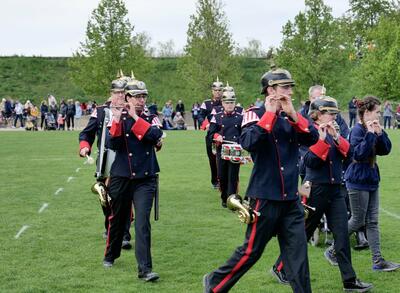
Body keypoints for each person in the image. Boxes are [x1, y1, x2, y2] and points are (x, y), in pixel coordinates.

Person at [203, 68, 319, 293]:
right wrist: (270, 114)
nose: (290, 91)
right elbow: (248, 141)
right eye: (285, 87)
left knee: (298, 256)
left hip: (291, 200)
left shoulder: (293, 115)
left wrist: (293, 114)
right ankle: (214, 283)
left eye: (290, 87)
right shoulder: (254, 113)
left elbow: (312, 138)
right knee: (251, 252)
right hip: (264, 198)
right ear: (270, 89)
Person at [270, 97, 372, 292]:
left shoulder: (334, 130)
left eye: (334, 113)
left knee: (341, 236)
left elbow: (350, 156)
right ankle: (280, 267)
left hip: (335, 191)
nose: (333, 116)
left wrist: (335, 138)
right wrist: (323, 141)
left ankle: (349, 281)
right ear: (317, 114)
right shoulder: (308, 131)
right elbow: (308, 162)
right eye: (329, 113)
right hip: (315, 189)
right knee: (302, 233)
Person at [104, 78, 163, 283]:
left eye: (143, 96)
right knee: (119, 218)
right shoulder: (117, 117)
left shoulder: (151, 116)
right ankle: (111, 254)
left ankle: (145, 269)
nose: (141, 100)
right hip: (122, 176)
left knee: (142, 223)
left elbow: (156, 135)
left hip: (145, 178)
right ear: (127, 97)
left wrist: (135, 118)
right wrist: (119, 120)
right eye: (137, 96)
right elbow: (114, 143)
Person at [344, 96, 400, 272]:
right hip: (357, 181)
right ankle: (332, 250)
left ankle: (378, 261)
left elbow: (386, 150)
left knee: (373, 222)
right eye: (377, 112)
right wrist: (369, 134)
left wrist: (380, 133)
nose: (379, 114)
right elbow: (359, 155)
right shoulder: (357, 130)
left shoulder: (373, 128)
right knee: (357, 221)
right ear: (366, 113)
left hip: (372, 180)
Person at [79, 77, 133, 249]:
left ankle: (123, 234)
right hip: (105, 160)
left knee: (123, 198)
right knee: (106, 198)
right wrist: (84, 147)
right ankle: (109, 226)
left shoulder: (132, 110)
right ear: (111, 94)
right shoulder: (101, 111)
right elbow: (86, 134)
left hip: (127, 160)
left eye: (123, 93)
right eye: (117, 93)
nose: (120, 96)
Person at [208, 87, 243, 207]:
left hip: (235, 151)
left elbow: (244, 133)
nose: (229, 105)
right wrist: (217, 136)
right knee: (222, 176)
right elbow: (210, 134)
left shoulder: (240, 117)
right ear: (222, 103)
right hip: (221, 150)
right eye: (227, 102)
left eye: (231, 102)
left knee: (233, 176)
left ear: (235, 103)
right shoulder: (217, 117)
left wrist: (239, 141)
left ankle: (232, 200)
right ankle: (224, 198)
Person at [198, 78, 224, 189]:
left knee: (224, 158)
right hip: (211, 134)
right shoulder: (207, 103)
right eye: (215, 90)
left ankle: (224, 180)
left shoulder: (227, 102)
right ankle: (215, 181)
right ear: (212, 91)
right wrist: (205, 124)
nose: (217, 92)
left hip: (223, 135)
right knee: (212, 158)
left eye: (220, 90)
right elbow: (199, 116)